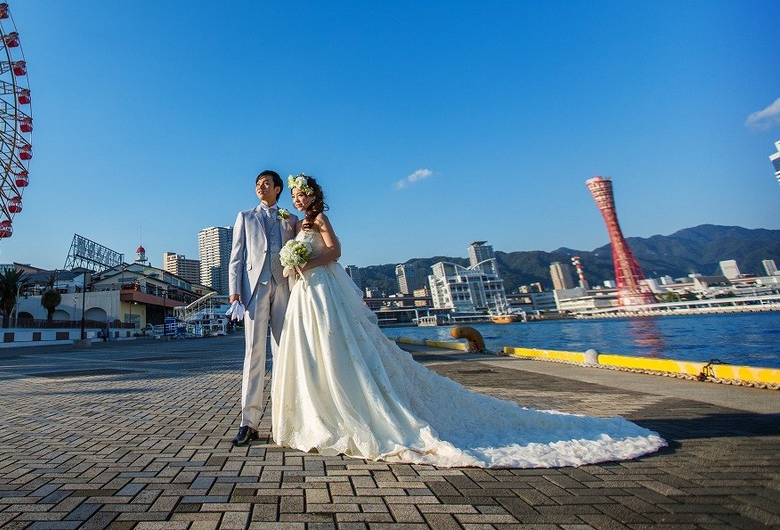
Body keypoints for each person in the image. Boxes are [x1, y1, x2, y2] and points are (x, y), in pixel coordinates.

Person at [270, 174, 667, 467]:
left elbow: (336, 252)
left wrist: (309, 258)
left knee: (336, 341)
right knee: (312, 345)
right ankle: (317, 408)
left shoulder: (320, 220)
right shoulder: (295, 224)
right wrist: (294, 264)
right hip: (307, 291)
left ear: (314, 195)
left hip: (324, 285)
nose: (300, 199)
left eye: (304, 193)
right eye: (297, 194)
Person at [228, 170, 300, 447]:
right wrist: (235, 291)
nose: (260, 187)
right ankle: (249, 422)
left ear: (278, 189)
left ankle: (286, 420)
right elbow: (236, 257)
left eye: (266, 183)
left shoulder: (289, 219)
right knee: (254, 353)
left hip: (283, 287)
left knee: (285, 352)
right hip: (254, 288)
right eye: (257, 184)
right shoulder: (245, 217)